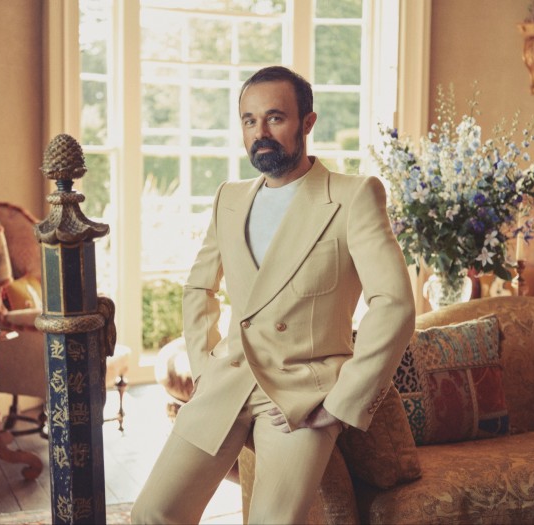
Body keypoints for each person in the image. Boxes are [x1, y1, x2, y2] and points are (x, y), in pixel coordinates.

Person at [131, 65, 415, 524]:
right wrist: (204, 369)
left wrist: (341, 403)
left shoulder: (353, 196)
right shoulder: (229, 198)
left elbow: (395, 304)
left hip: (303, 393)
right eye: (249, 120)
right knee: (151, 513)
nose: (260, 132)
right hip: (227, 381)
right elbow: (199, 286)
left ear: (307, 122)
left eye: (275, 118)